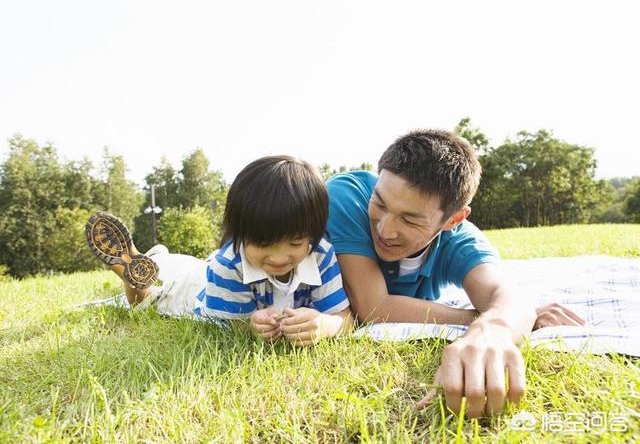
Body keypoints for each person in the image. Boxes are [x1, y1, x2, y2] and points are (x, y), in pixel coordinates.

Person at [325, 129, 584, 417]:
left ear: (454, 219)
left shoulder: (462, 241)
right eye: (380, 203)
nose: (385, 229)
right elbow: (373, 306)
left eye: (410, 219)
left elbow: (507, 294)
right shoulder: (347, 196)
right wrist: (482, 316)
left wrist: (493, 329)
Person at [86, 155, 353, 346]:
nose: (280, 258)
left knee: (188, 267)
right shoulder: (229, 263)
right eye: (262, 245)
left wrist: (325, 326)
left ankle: (158, 258)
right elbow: (235, 330)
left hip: (209, 273)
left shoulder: (321, 254)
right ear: (239, 234)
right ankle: (138, 274)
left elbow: (344, 317)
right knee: (156, 298)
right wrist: (251, 326)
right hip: (198, 294)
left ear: (314, 232)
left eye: (295, 244)